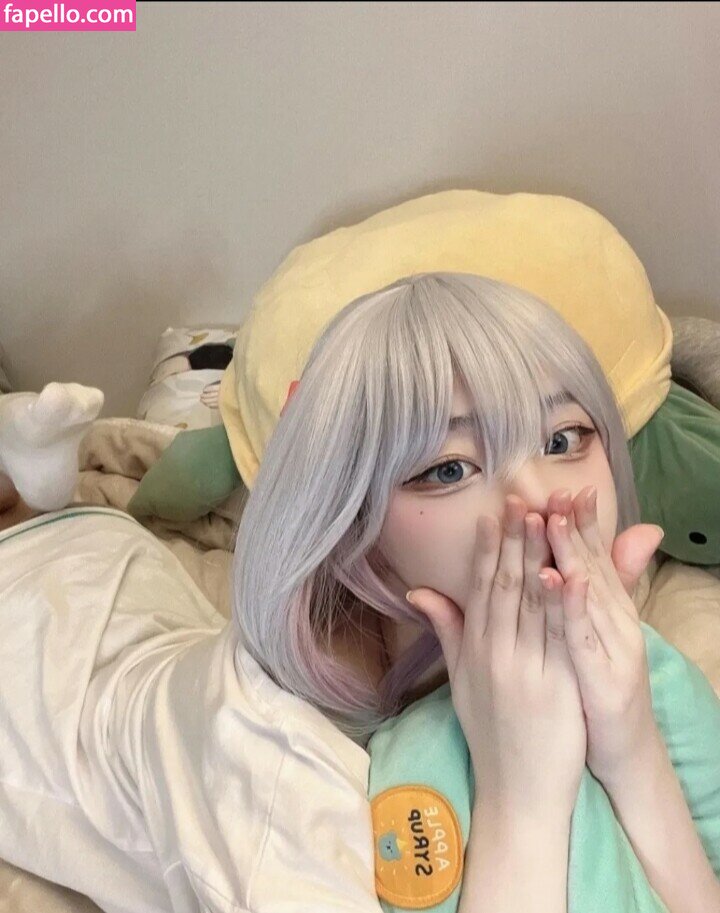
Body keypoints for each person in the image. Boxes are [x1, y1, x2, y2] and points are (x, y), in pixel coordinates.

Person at [0, 272, 717, 913]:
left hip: (124, 582)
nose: (538, 503)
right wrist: (522, 799)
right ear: (351, 517)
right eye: (448, 468)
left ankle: (40, 486)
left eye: (562, 440)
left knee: (76, 536)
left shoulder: (607, 653)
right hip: (33, 663)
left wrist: (631, 743)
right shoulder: (277, 766)